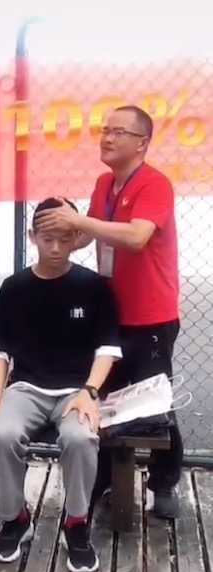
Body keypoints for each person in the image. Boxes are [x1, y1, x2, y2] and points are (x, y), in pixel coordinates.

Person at [35, 105, 182, 518]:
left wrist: (80, 221)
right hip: (110, 311)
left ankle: (163, 482)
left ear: (142, 143)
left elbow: (135, 237)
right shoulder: (104, 183)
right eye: (104, 130)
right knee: (102, 400)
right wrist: (60, 233)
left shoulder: (155, 184)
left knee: (153, 403)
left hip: (151, 314)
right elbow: (91, 233)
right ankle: (102, 479)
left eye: (118, 131)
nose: (107, 137)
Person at [0, 197, 121, 572]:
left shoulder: (93, 286)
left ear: (78, 237)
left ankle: (75, 522)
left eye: (65, 238)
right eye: (48, 239)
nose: (56, 248)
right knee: (3, 434)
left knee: (80, 438)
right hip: (26, 387)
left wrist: (90, 392)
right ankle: (15, 518)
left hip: (76, 390)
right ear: (32, 237)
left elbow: (107, 350)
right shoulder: (14, 287)